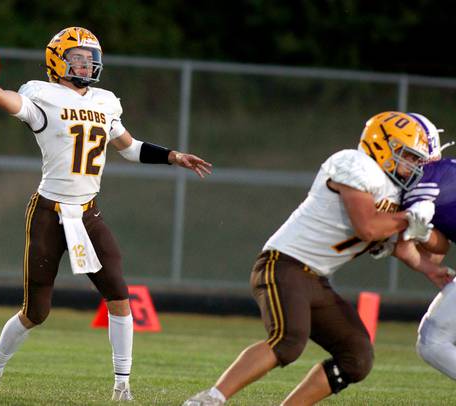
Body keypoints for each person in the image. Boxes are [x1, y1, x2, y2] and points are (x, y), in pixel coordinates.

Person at [0, 26, 213, 401]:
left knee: (118, 293)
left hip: (87, 213)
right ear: (56, 61)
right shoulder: (41, 93)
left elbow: (129, 148)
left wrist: (172, 156)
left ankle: (122, 385)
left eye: (89, 59)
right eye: (76, 58)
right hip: (49, 212)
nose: (85, 64)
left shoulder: (105, 101)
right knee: (36, 312)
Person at [183, 111, 434, 405]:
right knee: (288, 341)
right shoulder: (355, 163)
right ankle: (209, 400)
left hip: (316, 279)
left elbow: (401, 246)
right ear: (382, 144)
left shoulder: (392, 193)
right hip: (283, 264)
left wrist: (435, 270)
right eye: (407, 155)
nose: (412, 165)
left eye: (417, 159)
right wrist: (407, 219)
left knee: (357, 356)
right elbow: (367, 227)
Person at [390, 113, 456, 380]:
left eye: (406, 153)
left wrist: (406, 231)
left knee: (432, 341)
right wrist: (420, 234)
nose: (400, 159)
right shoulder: (445, 175)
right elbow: (438, 249)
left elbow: (422, 210)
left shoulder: (425, 178)